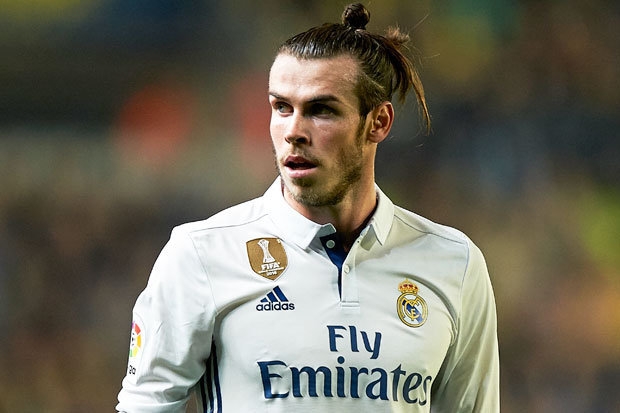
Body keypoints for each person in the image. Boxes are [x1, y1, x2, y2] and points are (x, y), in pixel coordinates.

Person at [116, 3, 499, 412]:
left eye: (321, 110)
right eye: (281, 107)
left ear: (378, 122)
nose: (294, 131)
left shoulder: (455, 265)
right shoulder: (201, 254)